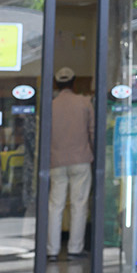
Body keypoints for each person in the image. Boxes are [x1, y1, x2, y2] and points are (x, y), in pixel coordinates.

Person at [47, 68, 95, 259]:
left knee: (55, 206)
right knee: (79, 205)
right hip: (81, 160)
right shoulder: (84, 103)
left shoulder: (50, 106)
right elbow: (92, 131)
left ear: (56, 84)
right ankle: (75, 249)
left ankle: (52, 250)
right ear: (74, 83)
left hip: (56, 161)